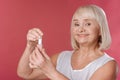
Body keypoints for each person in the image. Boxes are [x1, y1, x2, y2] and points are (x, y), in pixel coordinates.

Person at [17, 4, 118, 80]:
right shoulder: (61, 58)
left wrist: (50, 71)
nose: (80, 29)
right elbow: (25, 74)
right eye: (76, 24)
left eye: (88, 24)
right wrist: (30, 46)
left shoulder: (108, 65)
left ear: (101, 29)